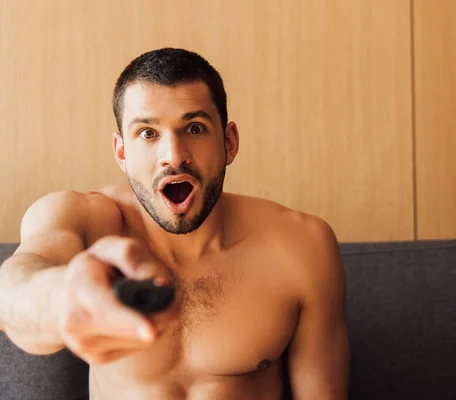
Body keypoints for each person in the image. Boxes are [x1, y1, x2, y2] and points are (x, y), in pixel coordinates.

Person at [0, 48, 350, 400]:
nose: (174, 155)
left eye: (194, 128)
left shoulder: (302, 245)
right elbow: (13, 290)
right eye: (148, 133)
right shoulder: (81, 220)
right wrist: (62, 297)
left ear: (229, 143)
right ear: (121, 152)